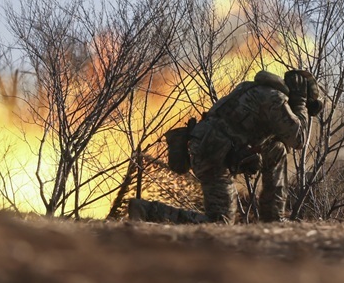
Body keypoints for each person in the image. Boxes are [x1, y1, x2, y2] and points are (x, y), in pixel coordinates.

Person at [128, 69, 322, 223]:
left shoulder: (258, 90)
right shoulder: (273, 99)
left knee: (277, 149)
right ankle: (146, 210)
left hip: (212, 148)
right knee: (220, 222)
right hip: (212, 153)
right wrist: (300, 104)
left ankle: (273, 218)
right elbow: (298, 139)